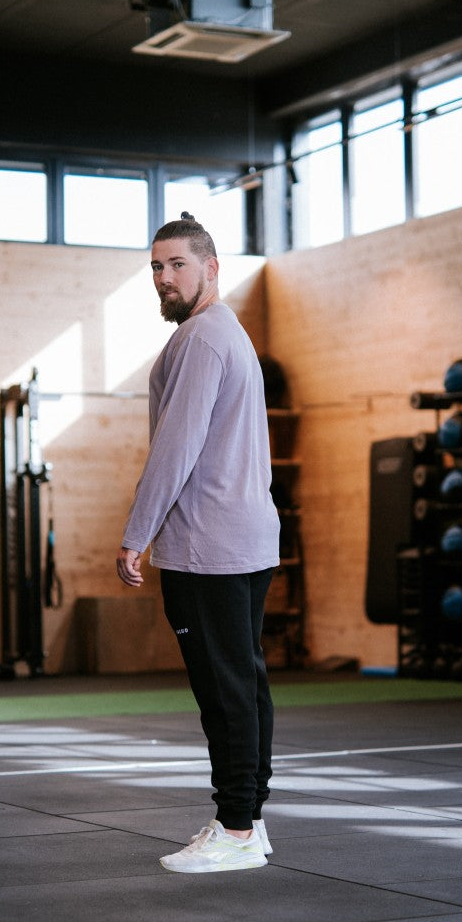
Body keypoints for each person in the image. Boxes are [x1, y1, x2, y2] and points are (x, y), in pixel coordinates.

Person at [117, 212, 280, 874]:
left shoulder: (200, 340)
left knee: (225, 689)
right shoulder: (225, 333)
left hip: (207, 543)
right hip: (241, 537)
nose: (164, 278)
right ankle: (247, 822)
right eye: (156, 267)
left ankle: (236, 828)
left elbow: (174, 450)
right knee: (242, 683)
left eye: (177, 264)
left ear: (211, 267)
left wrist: (136, 534)